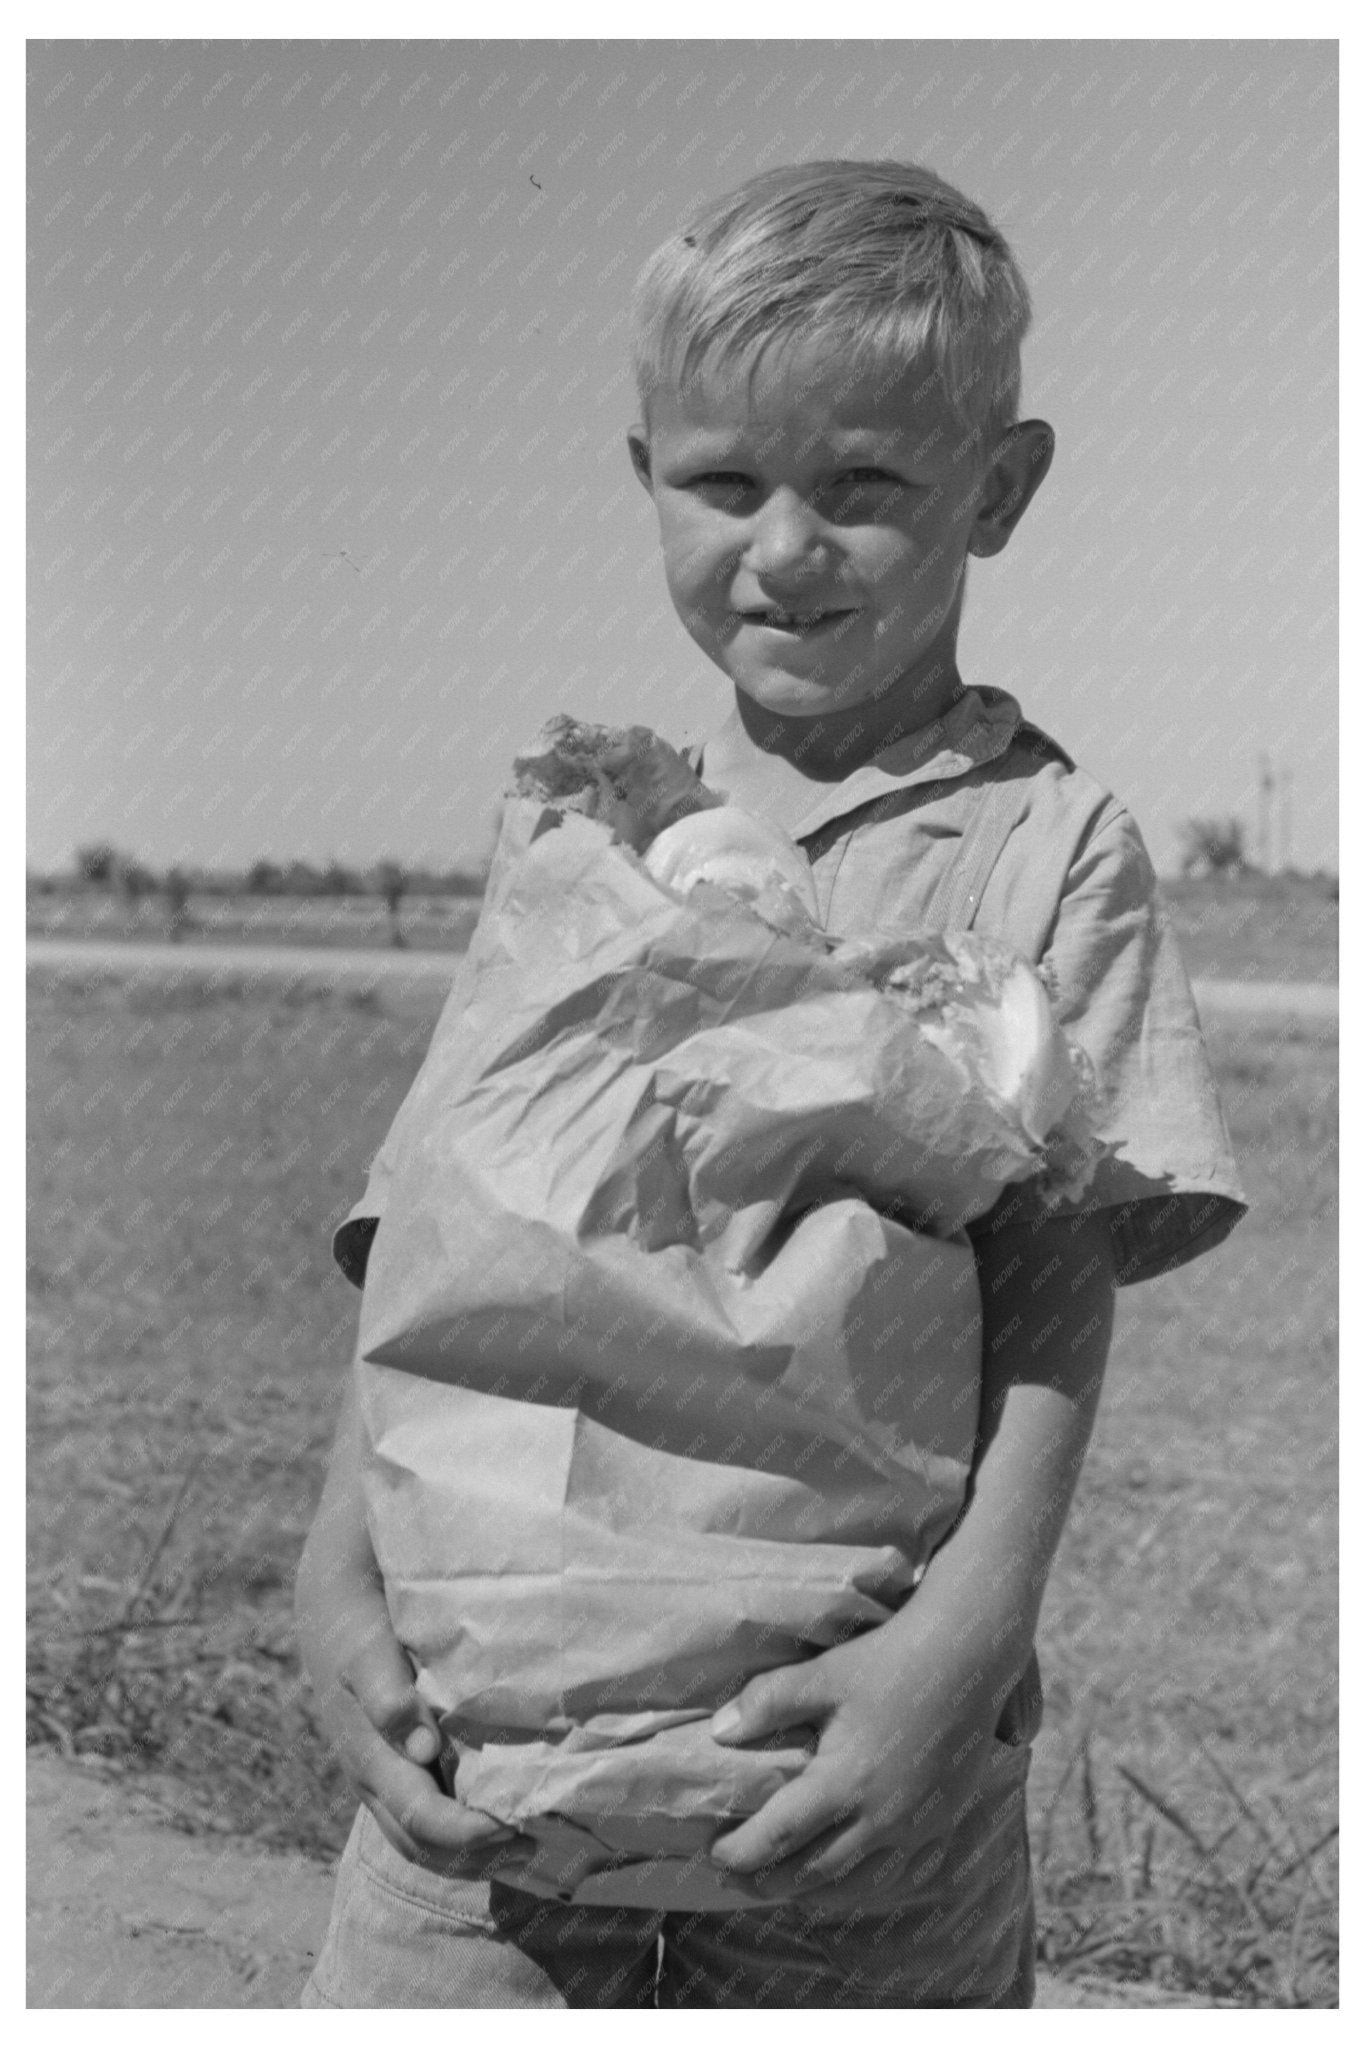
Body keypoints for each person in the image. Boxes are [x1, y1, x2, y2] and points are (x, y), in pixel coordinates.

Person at [295, 158, 1245, 2008]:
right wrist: (339, 1566)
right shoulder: (586, 834)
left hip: (856, 1769)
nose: (784, 548)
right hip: (483, 1763)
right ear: (643, 474)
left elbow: (1057, 1298)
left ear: (1002, 488)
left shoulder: (1046, 849)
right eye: (724, 484)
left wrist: (955, 1660)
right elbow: (439, 1234)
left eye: (865, 488)